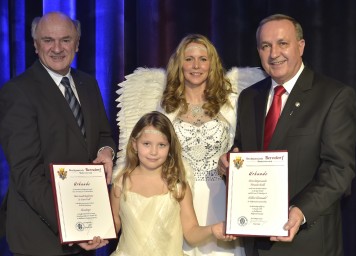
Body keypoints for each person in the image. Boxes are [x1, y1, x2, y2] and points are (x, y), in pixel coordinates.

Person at [218, 14, 356, 256]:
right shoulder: (250, 97)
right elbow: (244, 147)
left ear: (301, 46)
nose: (274, 53)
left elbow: (339, 170)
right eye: (265, 46)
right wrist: (230, 160)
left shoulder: (334, 96)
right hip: (256, 243)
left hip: (308, 242)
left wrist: (300, 211)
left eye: (283, 43)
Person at [115, 34, 266, 255]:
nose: (196, 65)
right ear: (179, 64)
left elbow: (245, 146)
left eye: (203, 59)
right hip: (177, 198)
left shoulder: (231, 103)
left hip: (221, 198)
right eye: (189, 59)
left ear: (212, 64)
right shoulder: (164, 106)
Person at [0, 12, 116, 255]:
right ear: (35, 44)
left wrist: (107, 151)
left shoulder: (89, 84)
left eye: (65, 40)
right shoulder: (18, 92)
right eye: (47, 40)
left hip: (85, 228)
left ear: (77, 43)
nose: (57, 48)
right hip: (41, 236)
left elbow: (103, 135)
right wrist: (71, 225)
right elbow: (26, 172)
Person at [110, 111, 235, 256]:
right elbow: (114, 222)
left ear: (170, 148)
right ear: (134, 145)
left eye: (161, 145)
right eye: (146, 144)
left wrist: (212, 229)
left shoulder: (178, 186)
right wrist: (94, 232)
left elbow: (191, 232)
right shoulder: (120, 183)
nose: (153, 152)